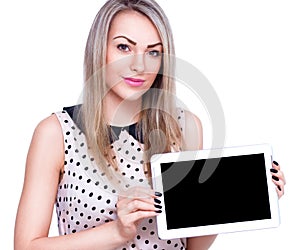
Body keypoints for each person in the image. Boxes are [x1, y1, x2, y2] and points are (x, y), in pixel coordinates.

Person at [14, 0, 286, 249]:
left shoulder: (185, 128)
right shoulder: (56, 133)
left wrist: (240, 199)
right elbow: (25, 247)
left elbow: (192, 246)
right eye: (124, 47)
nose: (139, 65)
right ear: (100, 50)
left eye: (153, 52)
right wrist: (117, 232)